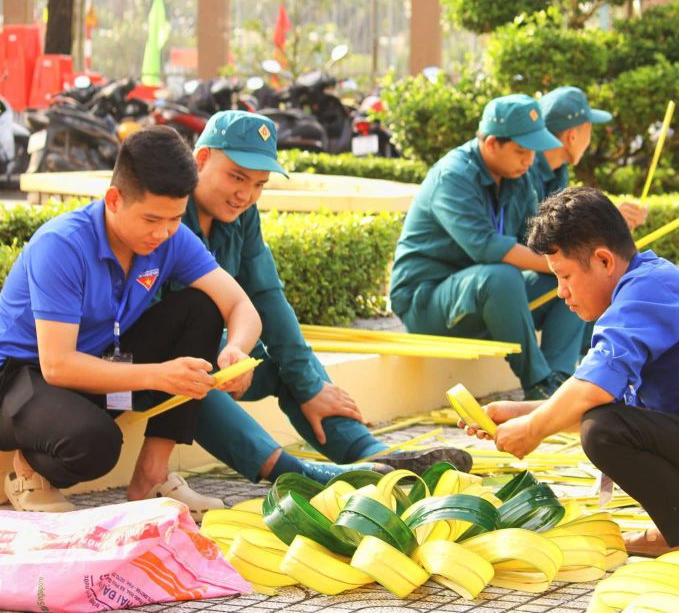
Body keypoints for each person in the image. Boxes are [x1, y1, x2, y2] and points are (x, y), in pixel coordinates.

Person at [461, 187, 679, 556]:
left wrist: (533, 430)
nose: (561, 292)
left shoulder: (646, 292)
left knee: (603, 432)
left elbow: (595, 396)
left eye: (564, 276)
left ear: (603, 260)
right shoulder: (649, 284)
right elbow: (609, 406)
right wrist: (518, 414)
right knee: (605, 423)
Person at [0, 126, 263, 518]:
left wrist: (237, 350)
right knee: (97, 445)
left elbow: (239, 304)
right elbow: (57, 365)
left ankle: (152, 477)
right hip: (13, 381)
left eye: (175, 219)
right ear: (114, 199)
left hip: (96, 364)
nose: (162, 233)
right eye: (151, 219)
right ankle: (29, 471)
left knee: (202, 308)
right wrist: (159, 376)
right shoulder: (62, 245)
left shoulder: (171, 238)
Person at [177, 110, 472, 484]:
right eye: (237, 177)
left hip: (217, 353)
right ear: (202, 159)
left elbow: (268, 298)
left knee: (288, 362)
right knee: (195, 376)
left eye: (259, 184)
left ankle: (374, 457)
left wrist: (309, 387)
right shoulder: (167, 212)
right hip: (157, 362)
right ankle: (300, 473)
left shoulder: (242, 216)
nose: (246, 195)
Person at [389, 94, 588, 400]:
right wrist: (562, 262)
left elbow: (535, 241)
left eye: (533, 152)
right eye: (521, 151)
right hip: (427, 303)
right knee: (505, 276)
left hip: (484, 298)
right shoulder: (453, 176)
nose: (529, 161)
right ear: (492, 143)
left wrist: (574, 261)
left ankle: (558, 382)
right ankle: (538, 384)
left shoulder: (516, 176)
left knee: (568, 281)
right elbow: (485, 248)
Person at [533, 86, 648, 231]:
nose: (589, 140)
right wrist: (608, 221)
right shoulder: (523, 175)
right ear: (572, 137)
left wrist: (610, 222)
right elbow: (539, 239)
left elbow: (560, 231)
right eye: (589, 131)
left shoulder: (558, 170)